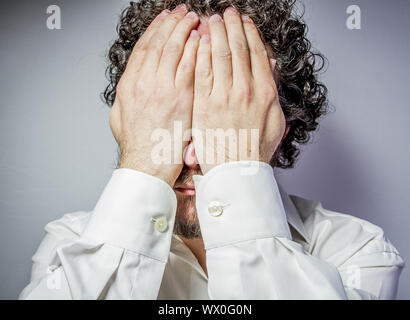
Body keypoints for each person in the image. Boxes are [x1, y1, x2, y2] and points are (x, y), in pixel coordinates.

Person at [20, 1, 404, 299]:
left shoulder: (356, 250)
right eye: (168, 116)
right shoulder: (70, 244)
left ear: (275, 126)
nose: (191, 157)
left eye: (224, 117)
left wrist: (237, 171)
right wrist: (142, 167)